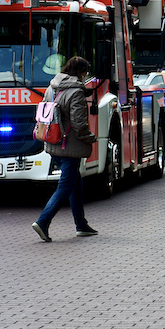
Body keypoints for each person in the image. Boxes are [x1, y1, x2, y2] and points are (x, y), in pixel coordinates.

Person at [31, 56, 99, 241]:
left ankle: (81, 225)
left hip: (53, 143)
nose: (86, 77)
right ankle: (43, 222)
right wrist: (91, 138)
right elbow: (79, 124)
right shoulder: (76, 92)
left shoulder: (51, 87)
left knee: (75, 185)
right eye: (85, 73)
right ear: (81, 72)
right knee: (65, 186)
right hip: (70, 146)